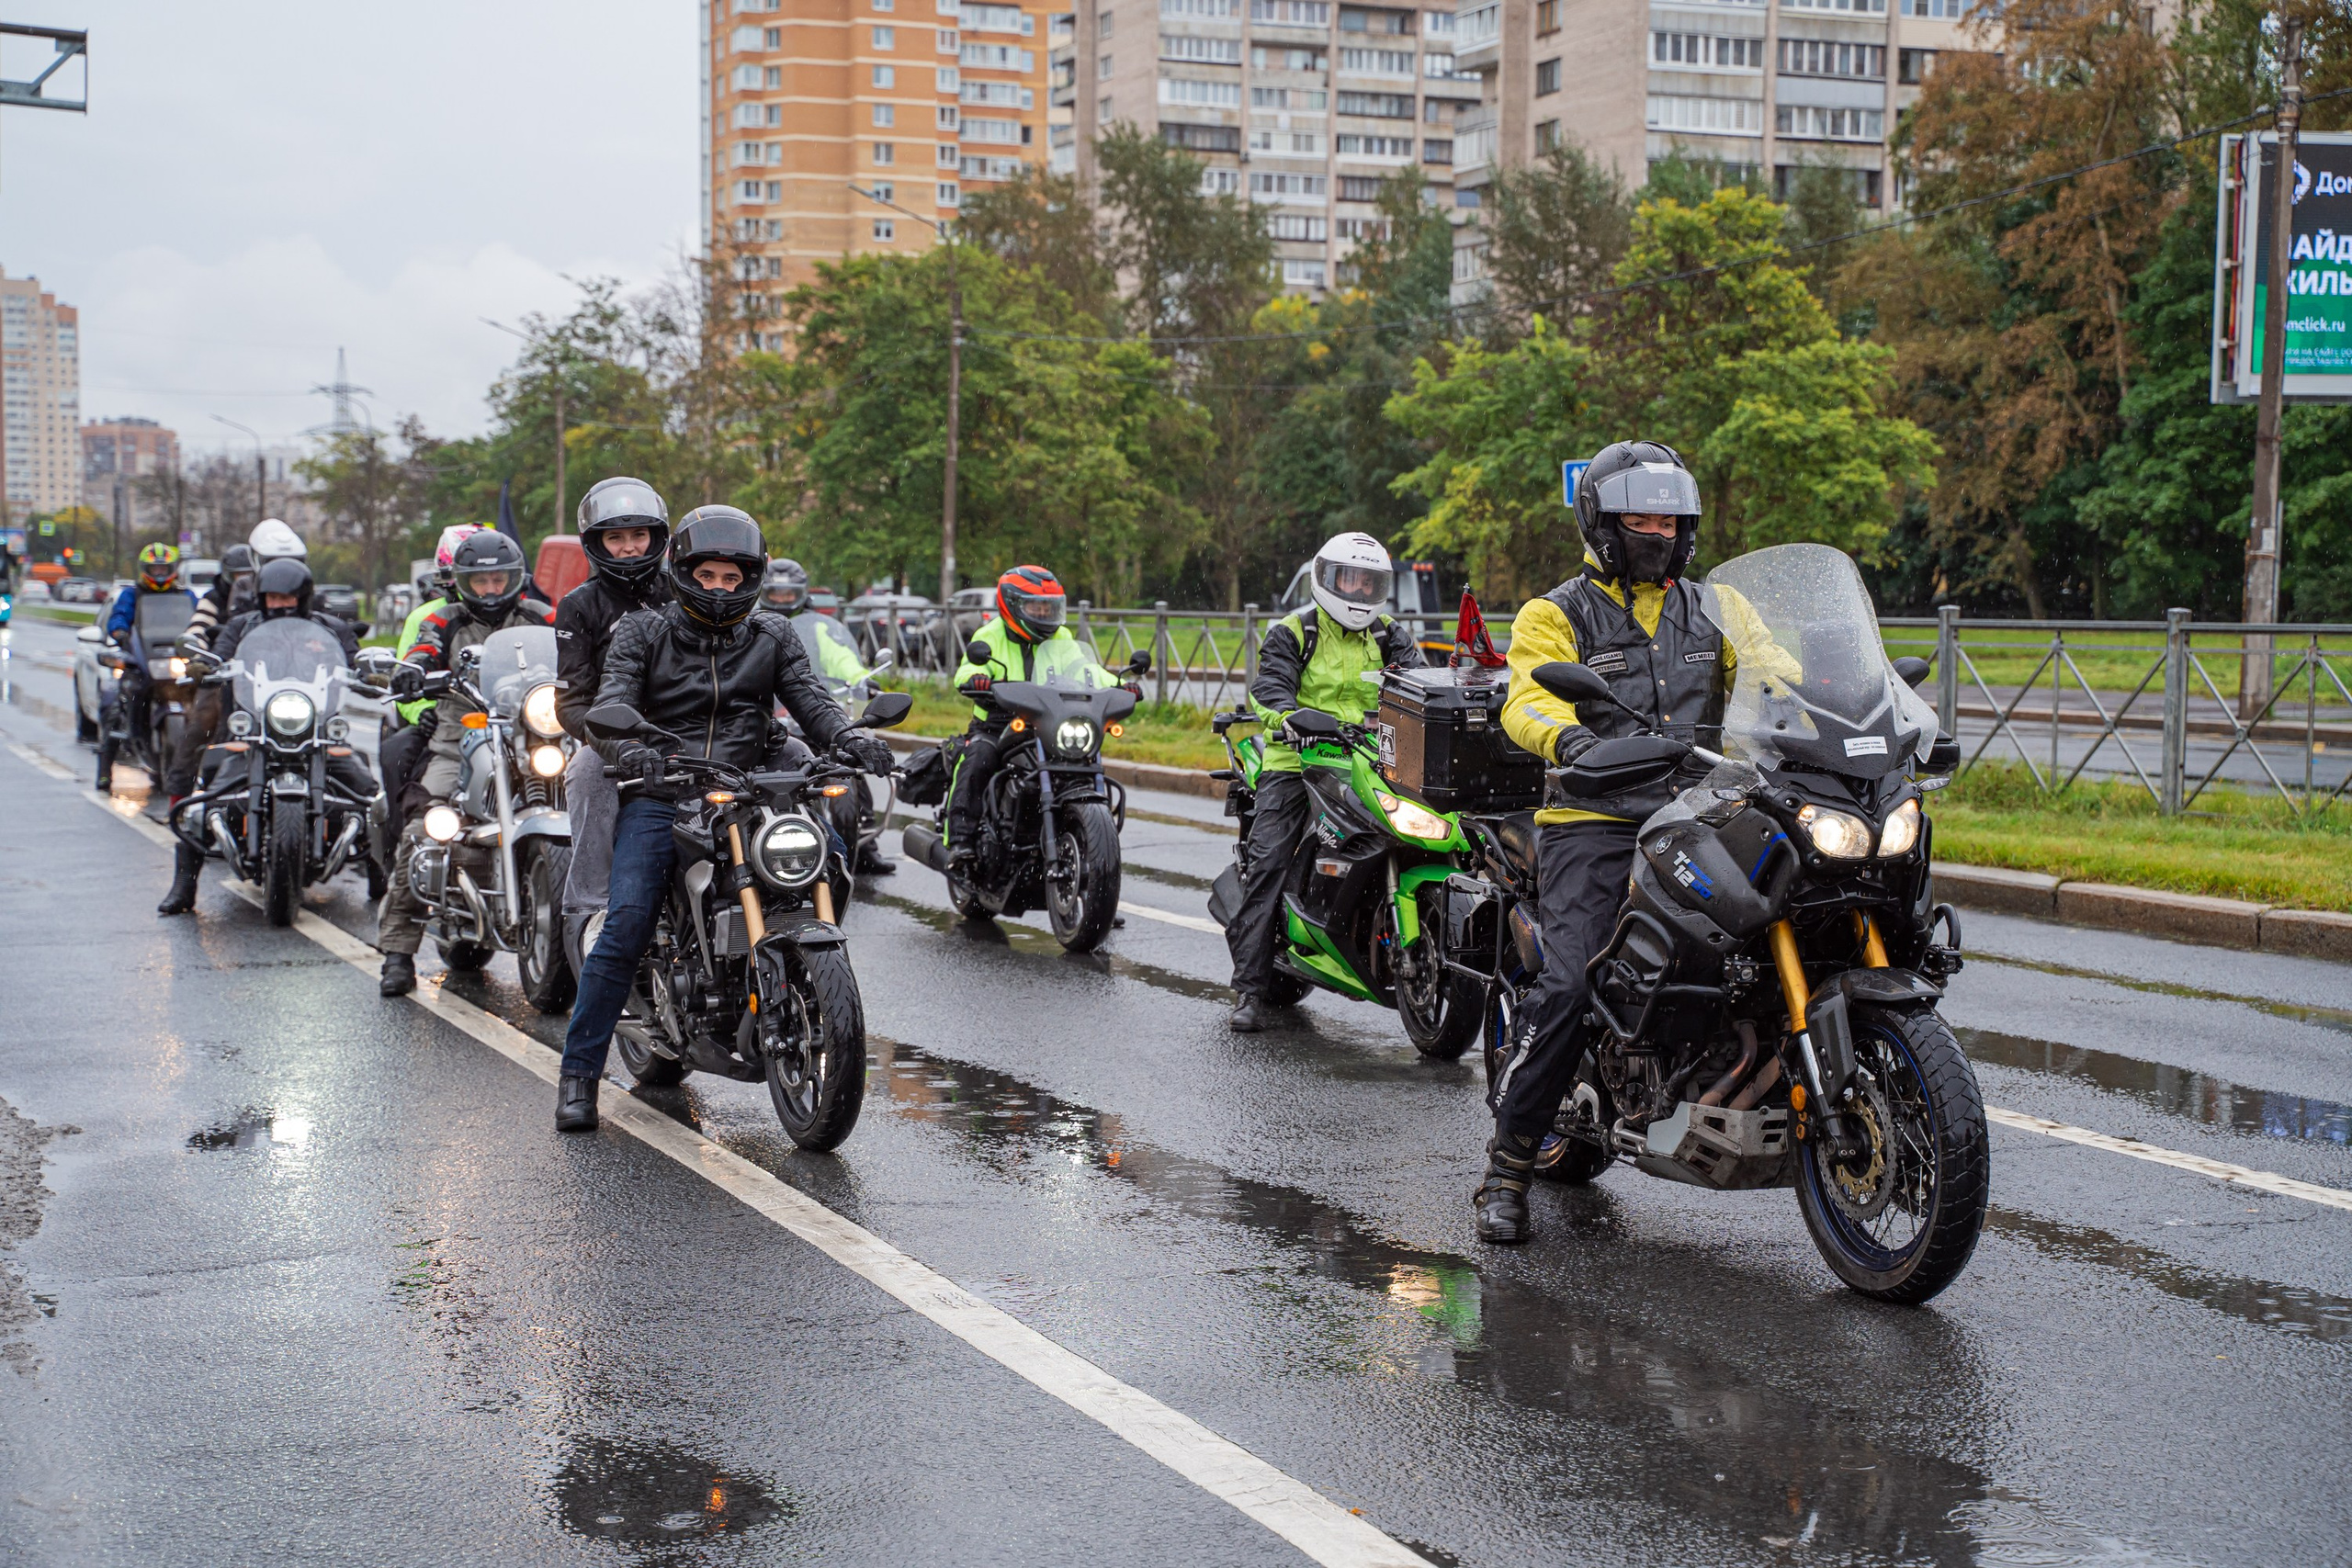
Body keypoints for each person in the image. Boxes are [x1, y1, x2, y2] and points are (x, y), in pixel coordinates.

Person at [1471, 440, 1792, 1245]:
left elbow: (1775, 671)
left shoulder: (1719, 607)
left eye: (1671, 516)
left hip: (1705, 807)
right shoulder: (1557, 612)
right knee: (1575, 982)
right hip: (1598, 819)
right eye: (1641, 516)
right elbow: (1526, 697)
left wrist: (1834, 707)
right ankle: (1506, 1168)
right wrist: (1569, 742)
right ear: (1605, 524)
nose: (1659, 528)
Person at [557, 506, 898, 1132]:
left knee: (827, 863)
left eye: (732, 577)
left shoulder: (773, 634)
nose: (720, 588)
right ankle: (578, 1073)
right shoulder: (641, 632)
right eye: (708, 575)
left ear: (752, 579)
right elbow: (608, 706)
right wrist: (633, 752)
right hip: (667, 789)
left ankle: (787, 974)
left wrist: (851, 738)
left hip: (752, 787)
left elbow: (811, 699)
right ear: (684, 573)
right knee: (628, 920)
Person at [1226, 532, 1423, 1033]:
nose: (1358, 593)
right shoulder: (1294, 631)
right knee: (1270, 861)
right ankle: (1249, 988)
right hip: (1298, 761)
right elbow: (1269, 689)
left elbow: (1421, 686)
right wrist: (1291, 716)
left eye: (1369, 582)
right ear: (1325, 577)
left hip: (1372, 761)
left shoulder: (1389, 635)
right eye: (1349, 579)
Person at [378, 530, 557, 996]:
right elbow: (419, 651)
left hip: (533, 733)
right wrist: (414, 670)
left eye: (500, 579)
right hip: (460, 738)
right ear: (462, 582)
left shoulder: (540, 615)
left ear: (516, 578)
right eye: (481, 582)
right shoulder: (444, 621)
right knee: (423, 830)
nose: (492, 590)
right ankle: (397, 953)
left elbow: (573, 646)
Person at [163, 558, 377, 914]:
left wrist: (370, 672)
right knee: (206, 800)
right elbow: (218, 656)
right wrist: (205, 665)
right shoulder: (242, 626)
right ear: (261, 597)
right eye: (273, 597)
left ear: (303, 597)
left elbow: (355, 660)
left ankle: (381, 877)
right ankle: (183, 887)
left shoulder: (329, 628)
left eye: (287, 598)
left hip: (318, 728)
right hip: (255, 729)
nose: (280, 604)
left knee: (369, 797)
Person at [944, 565, 1133, 876]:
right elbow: (965, 670)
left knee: (1082, 766)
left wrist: (1117, 684)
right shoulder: (989, 635)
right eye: (1036, 606)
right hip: (998, 724)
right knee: (978, 757)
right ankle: (960, 842)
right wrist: (977, 679)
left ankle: (1099, 877)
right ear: (1013, 605)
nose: (1044, 613)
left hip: (1048, 722)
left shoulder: (1061, 637)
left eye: (1049, 607)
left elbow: (1083, 668)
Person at [552, 478, 671, 943]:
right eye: (615, 538)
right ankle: (592, 909)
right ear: (596, 543)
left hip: (689, 726)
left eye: (638, 535)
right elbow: (573, 702)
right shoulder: (578, 606)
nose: (628, 548)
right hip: (614, 734)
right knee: (584, 771)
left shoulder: (684, 590)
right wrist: (618, 744)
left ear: (656, 537)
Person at [378, 524, 485, 818]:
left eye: (491, 579)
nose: (482, 591)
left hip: (508, 721)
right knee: (396, 756)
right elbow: (405, 675)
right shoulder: (425, 617)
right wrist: (424, 711)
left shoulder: (524, 613)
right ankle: (406, 838)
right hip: (443, 723)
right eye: (465, 580)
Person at [96, 543, 198, 794]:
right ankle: (104, 772)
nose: (160, 573)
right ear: (145, 570)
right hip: (144, 658)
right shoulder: (132, 594)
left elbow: (198, 618)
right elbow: (119, 616)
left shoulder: (185, 595)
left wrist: (204, 636)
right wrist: (119, 632)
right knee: (115, 703)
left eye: (164, 568)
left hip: (176, 656)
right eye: (155, 568)